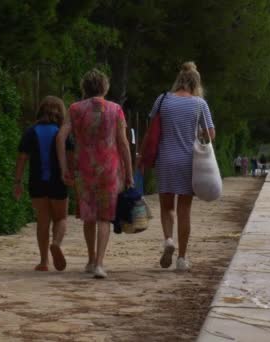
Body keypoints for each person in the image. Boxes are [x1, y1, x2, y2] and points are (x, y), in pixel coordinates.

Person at [56, 69, 133, 279]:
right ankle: (100, 263)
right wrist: (129, 173)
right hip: (109, 168)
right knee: (105, 218)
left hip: (84, 169)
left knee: (89, 216)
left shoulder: (74, 109)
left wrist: (64, 167)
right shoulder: (116, 109)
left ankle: (90, 260)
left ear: (84, 88)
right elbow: (123, 143)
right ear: (105, 87)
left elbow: (61, 137)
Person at [139, 61, 215, 272]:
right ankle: (182, 258)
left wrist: (142, 157)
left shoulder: (162, 100)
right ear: (196, 83)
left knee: (166, 207)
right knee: (184, 210)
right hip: (188, 161)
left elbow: (150, 131)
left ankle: (168, 240)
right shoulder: (200, 104)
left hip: (165, 160)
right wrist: (196, 134)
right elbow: (211, 134)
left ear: (178, 80)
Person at [14, 96, 72, 272]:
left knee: (42, 220)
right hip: (58, 181)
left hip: (37, 181)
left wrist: (17, 182)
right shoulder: (62, 132)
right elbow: (70, 156)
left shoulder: (30, 132)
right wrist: (72, 176)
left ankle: (44, 261)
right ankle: (56, 243)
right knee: (61, 217)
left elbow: (22, 158)